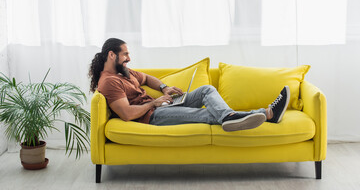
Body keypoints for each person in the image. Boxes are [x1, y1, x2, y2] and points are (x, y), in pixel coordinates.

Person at [89, 38, 290, 132]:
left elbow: (148, 78)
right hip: (152, 117)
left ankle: (229, 116)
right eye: (125, 54)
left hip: (160, 106)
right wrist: (154, 104)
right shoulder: (109, 82)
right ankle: (267, 113)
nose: (129, 58)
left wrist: (164, 88)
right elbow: (126, 114)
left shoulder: (124, 71)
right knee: (206, 115)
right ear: (112, 55)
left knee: (206, 90)